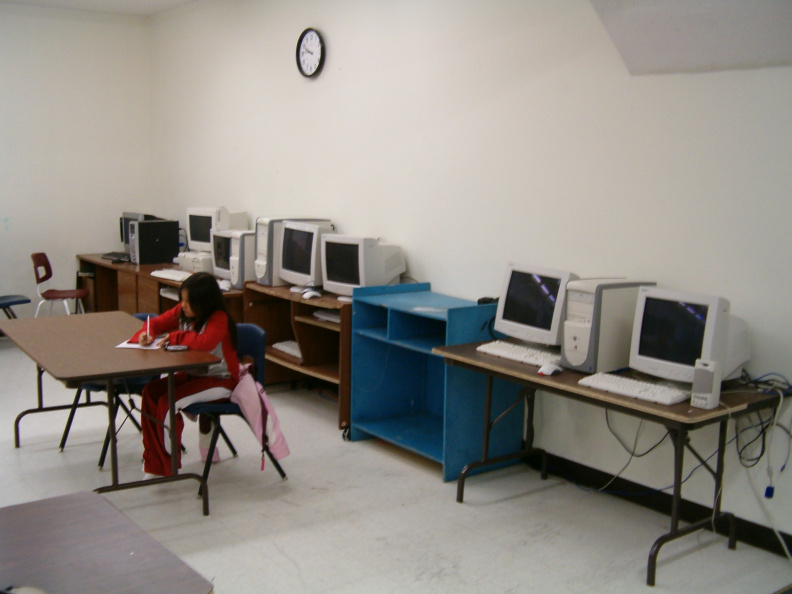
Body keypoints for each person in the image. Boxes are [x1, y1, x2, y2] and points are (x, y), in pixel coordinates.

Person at [130, 272, 239, 477]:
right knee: (150, 392)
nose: (183, 305)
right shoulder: (184, 310)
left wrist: (174, 336)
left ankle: (166, 464)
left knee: (167, 402)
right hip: (195, 376)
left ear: (204, 303)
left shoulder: (219, 318)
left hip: (221, 380)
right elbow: (155, 323)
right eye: (182, 300)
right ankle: (153, 461)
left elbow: (204, 342)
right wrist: (146, 335)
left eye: (188, 302)